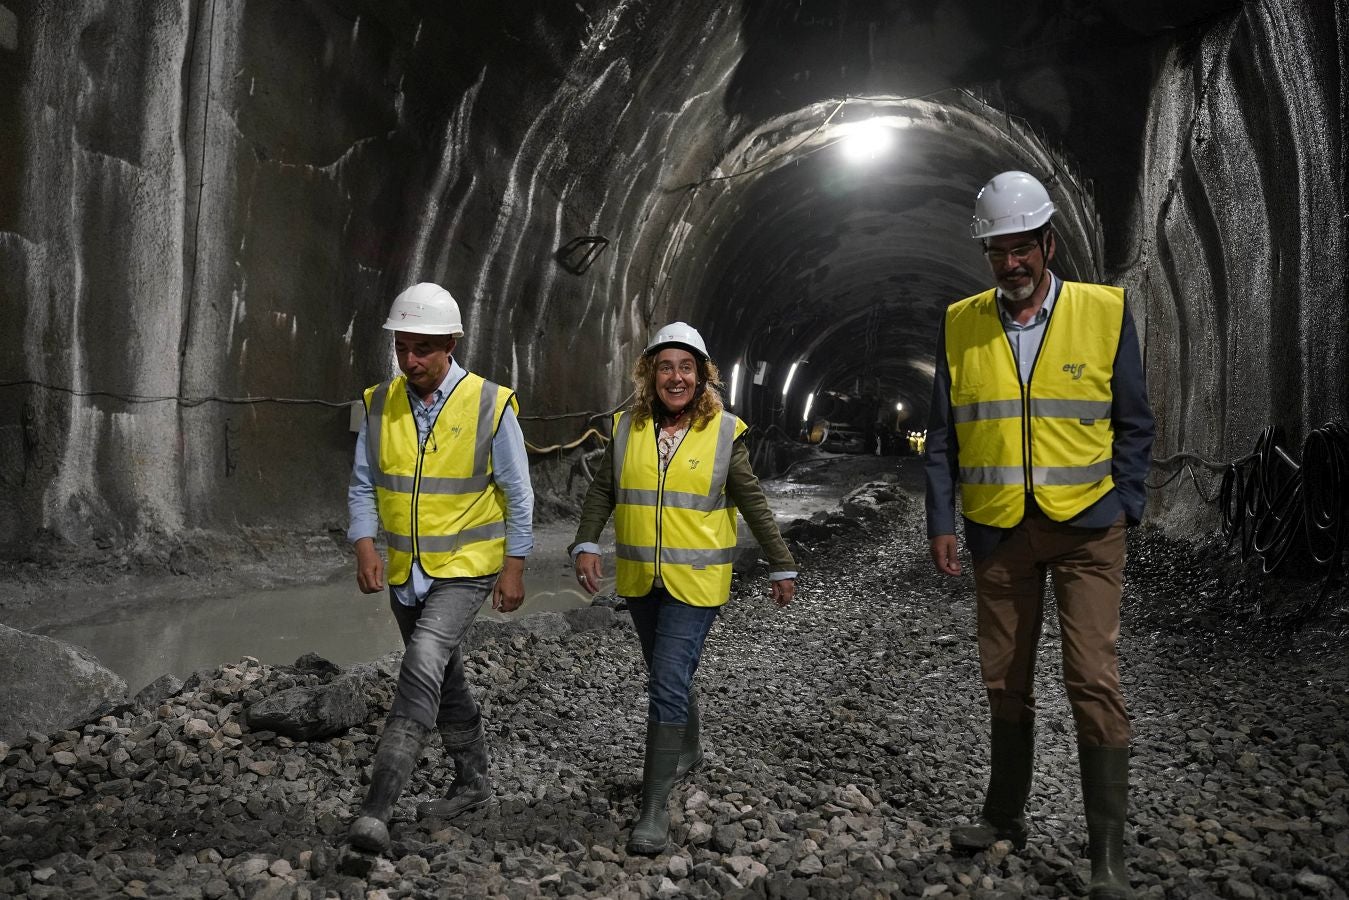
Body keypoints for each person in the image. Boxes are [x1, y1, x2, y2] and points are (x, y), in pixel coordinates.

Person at [924, 171, 1155, 900]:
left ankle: (1107, 852)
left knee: (1091, 677)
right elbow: (941, 440)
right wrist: (940, 521)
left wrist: (1127, 504)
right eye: (997, 251)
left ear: (1048, 243)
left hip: (1087, 527)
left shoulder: (1103, 310)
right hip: (998, 531)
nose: (1010, 263)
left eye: (1021, 248)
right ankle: (1003, 814)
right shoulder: (960, 322)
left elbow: (1134, 421)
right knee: (1003, 680)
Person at [569, 322, 798, 856]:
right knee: (666, 675)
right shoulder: (628, 427)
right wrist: (584, 542)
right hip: (641, 577)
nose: (676, 377)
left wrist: (781, 563)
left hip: (695, 582)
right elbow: (605, 488)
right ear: (651, 373)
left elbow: (752, 501)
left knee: (666, 682)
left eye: (686, 368)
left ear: (702, 375)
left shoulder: (723, 432)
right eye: (665, 367)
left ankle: (653, 809)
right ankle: (688, 744)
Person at [346, 282, 534, 853]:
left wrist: (514, 565)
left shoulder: (489, 402)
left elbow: (518, 493)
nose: (410, 361)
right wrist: (365, 546)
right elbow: (363, 485)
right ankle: (473, 776)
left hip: (468, 562)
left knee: (424, 656)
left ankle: (379, 805)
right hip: (406, 568)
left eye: (423, 349)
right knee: (442, 669)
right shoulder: (379, 402)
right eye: (402, 348)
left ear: (451, 343)